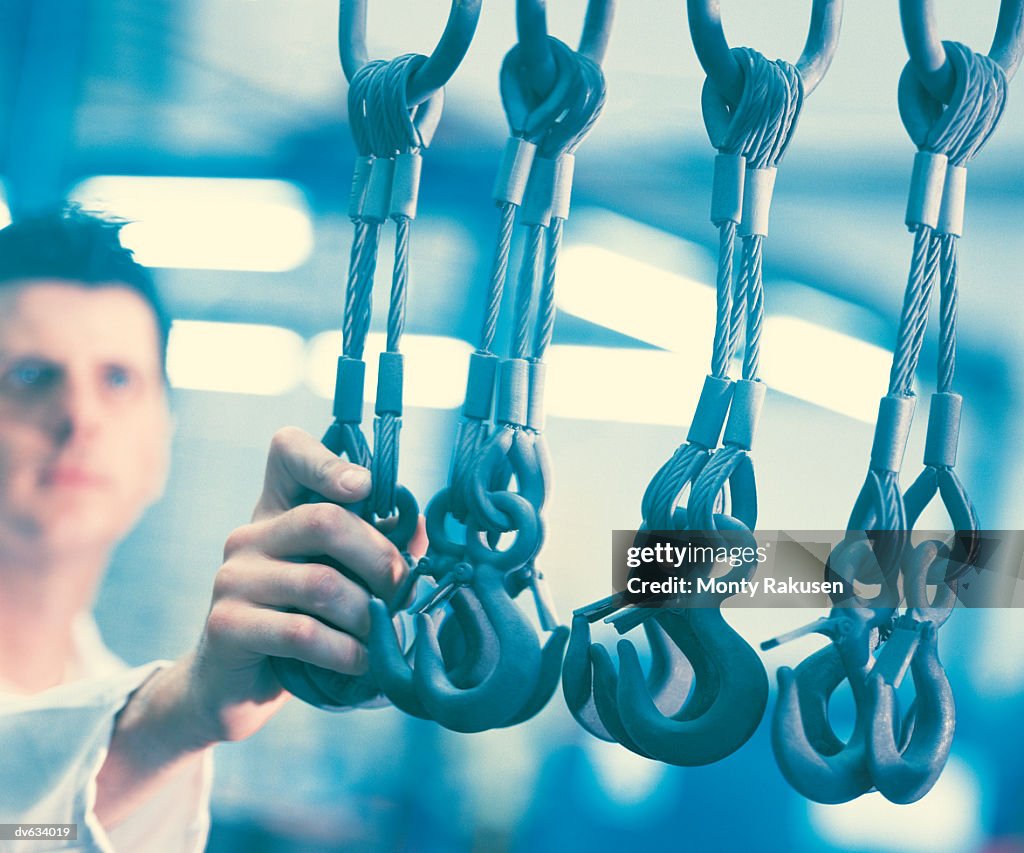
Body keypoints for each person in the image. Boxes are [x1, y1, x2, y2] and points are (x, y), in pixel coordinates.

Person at [0, 208, 417, 850]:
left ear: (162, 438)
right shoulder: (150, 724)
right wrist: (174, 719)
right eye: (31, 376)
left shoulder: (117, 701)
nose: (81, 417)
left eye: (118, 379)